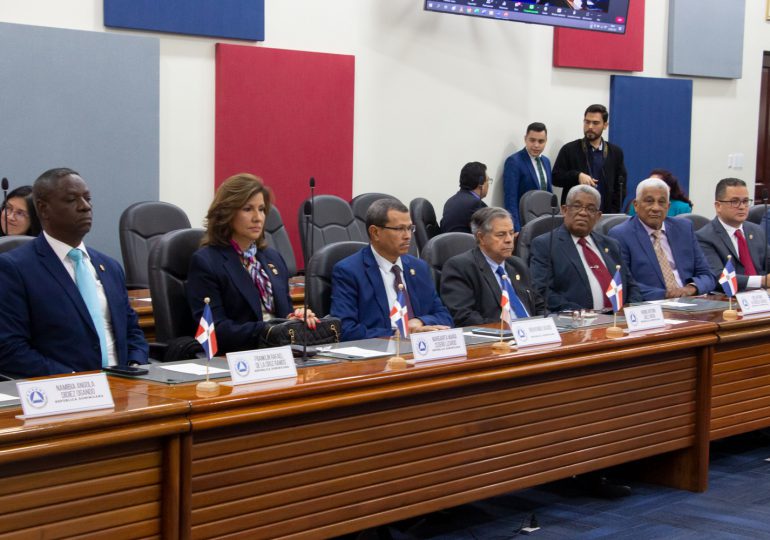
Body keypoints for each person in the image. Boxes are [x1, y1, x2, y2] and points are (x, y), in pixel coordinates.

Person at [0, 168, 148, 378]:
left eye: (87, 199)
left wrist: (135, 364)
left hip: (126, 386)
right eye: (72, 200)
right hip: (64, 390)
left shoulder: (110, 267)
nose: (85, 207)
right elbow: (10, 349)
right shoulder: (14, 268)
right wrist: (75, 380)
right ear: (43, 209)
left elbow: (132, 331)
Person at [186, 173, 317, 355]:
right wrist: (269, 329)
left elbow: (283, 314)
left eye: (262, 209)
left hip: (281, 354)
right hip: (238, 356)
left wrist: (296, 318)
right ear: (227, 213)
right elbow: (215, 330)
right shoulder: (207, 262)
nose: (258, 218)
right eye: (248, 209)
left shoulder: (273, 258)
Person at [331, 198, 453, 341]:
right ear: (375, 232)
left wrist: (420, 322)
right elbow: (345, 330)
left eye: (409, 228)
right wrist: (397, 335)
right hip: (378, 356)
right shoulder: (349, 271)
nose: (408, 236)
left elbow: (445, 317)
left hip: (422, 351)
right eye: (399, 229)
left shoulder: (419, 268)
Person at [530, 185, 641, 313]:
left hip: (619, 321)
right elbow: (542, 292)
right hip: (577, 322)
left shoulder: (611, 245)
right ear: (564, 210)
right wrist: (581, 314)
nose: (583, 213)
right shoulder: (545, 244)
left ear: (598, 216)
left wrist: (632, 311)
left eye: (590, 209)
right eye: (577, 206)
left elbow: (631, 286)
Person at [609, 177, 715, 300]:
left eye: (662, 202)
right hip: (651, 306)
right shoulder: (621, 235)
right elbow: (623, 282)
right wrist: (666, 295)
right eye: (649, 201)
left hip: (691, 301)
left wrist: (692, 288)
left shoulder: (684, 228)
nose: (656, 208)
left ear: (668, 206)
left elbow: (707, 275)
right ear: (636, 205)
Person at [441, 207, 543, 326]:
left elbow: (539, 305)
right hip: (499, 339)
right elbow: (464, 316)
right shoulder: (460, 267)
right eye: (501, 235)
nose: (509, 240)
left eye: (511, 233)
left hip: (533, 335)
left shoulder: (517, 265)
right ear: (481, 237)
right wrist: (508, 330)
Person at [697, 178, 769, 291]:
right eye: (734, 201)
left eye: (745, 201)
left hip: (762, 298)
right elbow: (718, 277)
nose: (742, 207)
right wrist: (762, 281)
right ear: (718, 206)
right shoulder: (704, 237)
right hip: (730, 300)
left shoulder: (757, 231)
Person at [552, 104, 627, 213]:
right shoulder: (569, 149)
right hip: (576, 214)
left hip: (604, 215)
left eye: (595, 123)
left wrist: (612, 212)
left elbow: (621, 187)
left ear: (605, 125)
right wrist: (577, 176)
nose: (590, 127)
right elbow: (555, 177)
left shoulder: (615, 153)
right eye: (587, 122)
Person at [503, 122, 552, 233]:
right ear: (525, 139)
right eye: (532, 140)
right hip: (524, 225)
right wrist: (515, 229)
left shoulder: (546, 161)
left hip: (545, 225)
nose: (536, 145)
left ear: (546, 141)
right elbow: (510, 199)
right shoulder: (514, 161)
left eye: (541, 141)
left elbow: (548, 195)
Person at [440, 161, 489, 233]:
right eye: (488, 180)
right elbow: (490, 233)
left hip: (449, 243)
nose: (488, 185)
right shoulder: (475, 204)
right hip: (464, 244)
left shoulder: (450, 201)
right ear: (481, 183)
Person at [628, 169, 692, 217]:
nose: (655, 208)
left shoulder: (682, 208)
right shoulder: (638, 204)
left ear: (668, 188)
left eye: (657, 184)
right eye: (650, 182)